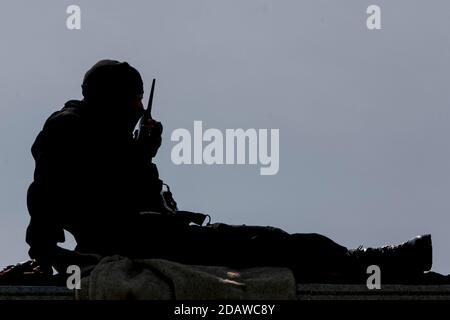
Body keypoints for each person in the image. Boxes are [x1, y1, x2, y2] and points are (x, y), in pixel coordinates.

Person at [24, 60, 433, 283]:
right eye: (135, 101)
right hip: (133, 239)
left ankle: (359, 262)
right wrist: (44, 250)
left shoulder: (106, 137)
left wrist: (143, 155)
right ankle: (371, 262)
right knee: (267, 243)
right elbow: (48, 191)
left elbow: (123, 185)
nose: (139, 111)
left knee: (264, 244)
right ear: (115, 97)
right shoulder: (71, 127)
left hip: (149, 234)